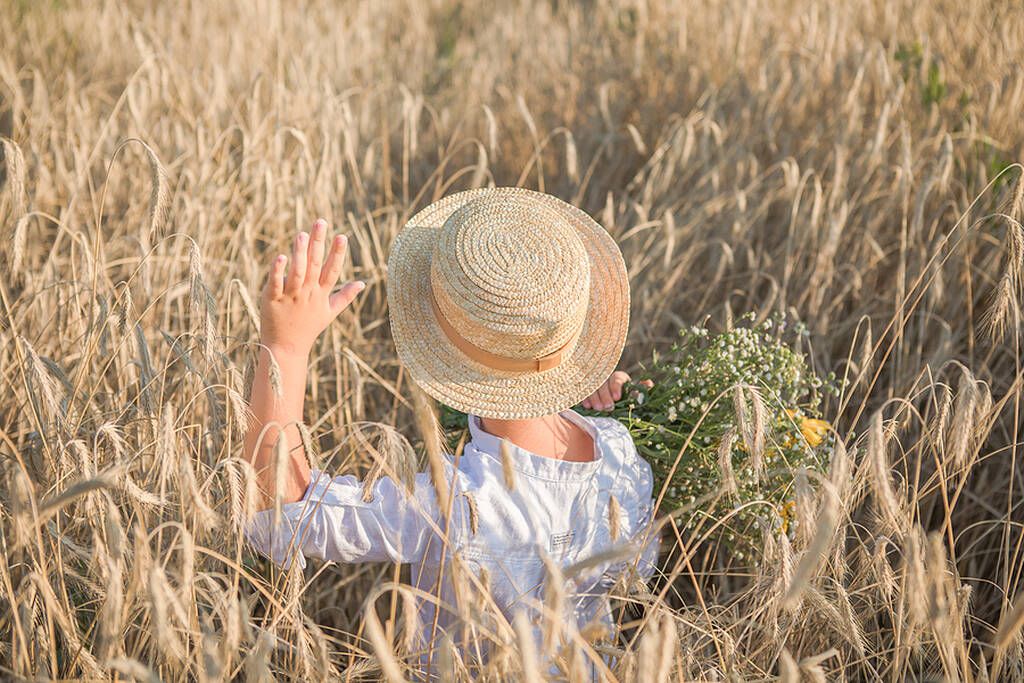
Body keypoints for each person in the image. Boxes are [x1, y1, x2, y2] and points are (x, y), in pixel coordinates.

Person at [243, 187, 659, 678]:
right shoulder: (620, 454)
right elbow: (637, 571)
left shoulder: (450, 503)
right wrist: (580, 400)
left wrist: (286, 350)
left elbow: (280, 518)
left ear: (447, 352)